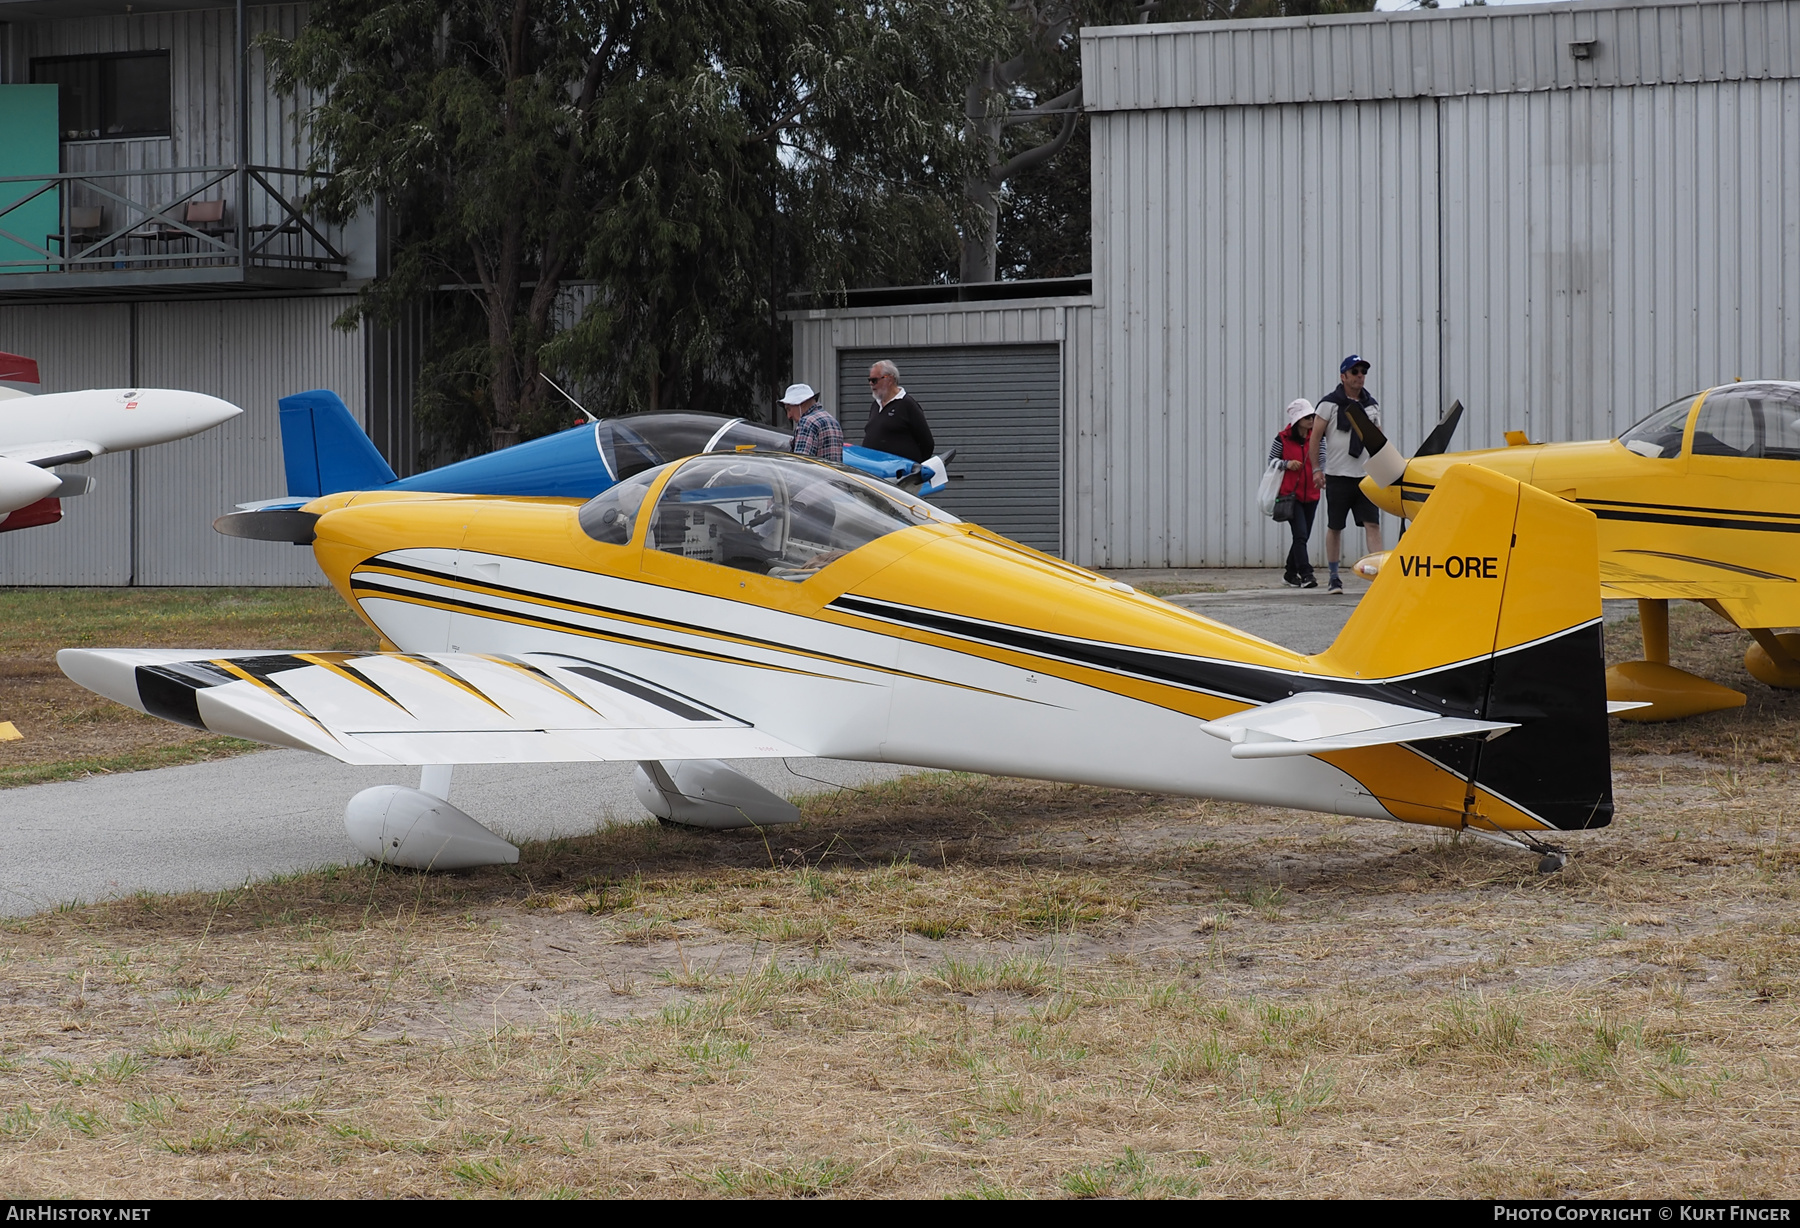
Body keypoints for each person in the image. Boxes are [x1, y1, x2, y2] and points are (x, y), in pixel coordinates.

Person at [1307, 353, 1384, 594]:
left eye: (1363, 372)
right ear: (1343, 376)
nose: (1360, 376)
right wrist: (1317, 469)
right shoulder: (1329, 404)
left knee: (1372, 524)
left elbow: (1378, 440)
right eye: (1355, 372)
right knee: (1335, 525)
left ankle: (1378, 577)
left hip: (1365, 477)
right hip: (1338, 475)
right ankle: (1333, 576)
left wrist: (1383, 471)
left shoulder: (1371, 405)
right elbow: (1315, 438)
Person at [1268, 398, 1322, 589]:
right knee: (1300, 535)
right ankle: (1307, 574)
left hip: (1312, 495)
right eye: (1307, 417)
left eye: (1313, 416)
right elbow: (1272, 461)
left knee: (1303, 536)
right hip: (1291, 495)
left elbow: (1321, 459)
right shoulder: (1282, 438)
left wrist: (1321, 474)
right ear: (1297, 419)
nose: (1311, 420)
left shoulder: (1316, 437)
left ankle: (1290, 574)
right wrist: (1287, 464)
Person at [862, 359, 934, 462]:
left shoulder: (907, 404)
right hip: (875, 471)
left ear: (889, 379)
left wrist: (912, 467)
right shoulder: (875, 405)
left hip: (899, 473)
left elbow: (927, 443)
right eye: (869, 380)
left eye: (874, 380)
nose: (871, 384)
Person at [781, 383, 842, 463]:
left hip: (814, 475)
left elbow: (800, 464)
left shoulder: (807, 423)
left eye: (789, 409)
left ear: (801, 403)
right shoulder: (833, 422)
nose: (789, 416)